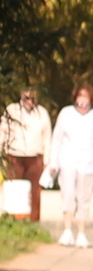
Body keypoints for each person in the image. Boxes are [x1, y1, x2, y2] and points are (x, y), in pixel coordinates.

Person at [45, 85, 93, 248]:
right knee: (68, 194)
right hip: (68, 161)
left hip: (89, 164)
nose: (83, 101)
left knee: (84, 198)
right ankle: (67, 230)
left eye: (86, 98)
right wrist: (53, 162)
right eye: (80, 97)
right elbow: (57, 138)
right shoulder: (66, 113)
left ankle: (81, 233)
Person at [3, 87, 51, 223]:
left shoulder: (42, 113)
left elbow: (47, 139)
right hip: (14, 156)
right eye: (27, 98)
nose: (30, 101)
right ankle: (12, 221)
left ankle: (34, 222)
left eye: (33, 99)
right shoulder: (12, 110)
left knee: (34, 193)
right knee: (13, 190)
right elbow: (3, 131)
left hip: (35, 157)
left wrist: (47, 161)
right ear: (21, 97)